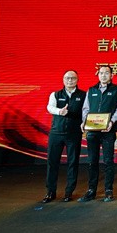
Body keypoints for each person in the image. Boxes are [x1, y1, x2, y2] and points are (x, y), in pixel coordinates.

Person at [78, 65, 117, 202]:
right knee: (92, 161)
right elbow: (86, 109)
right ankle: (91, 190)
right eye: (101, 73)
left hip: (108, 130)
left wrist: (111, 121)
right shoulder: (91, 90)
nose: (103, 75)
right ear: (98, 75)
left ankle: (108, 190)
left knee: (108, 161)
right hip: (92, 131)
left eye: (106, 73)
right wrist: (84, 122)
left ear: (112, 75)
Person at [42, 70, 86, 203]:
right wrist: (59, 111)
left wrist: (85, 123)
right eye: (67, 78)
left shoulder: (83, 95)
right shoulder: (55, 94)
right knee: (52, 162)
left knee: (73, 162)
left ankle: (69, 192)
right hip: (56, 133)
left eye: (73, 78)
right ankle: (50, 192)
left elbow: (86, 111)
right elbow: (50, 107)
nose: (70, 80)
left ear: (77, 80)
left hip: (74, 133)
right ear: (63, 79)